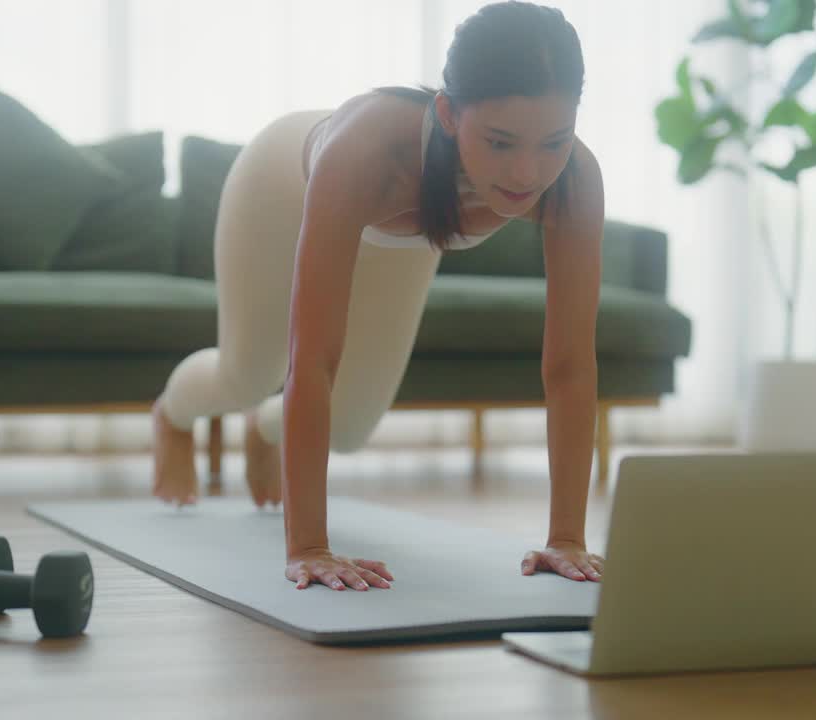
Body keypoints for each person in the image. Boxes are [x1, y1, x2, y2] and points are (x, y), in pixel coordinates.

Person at [151, 1, 605, 592]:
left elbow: (570, 366)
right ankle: (172, 415)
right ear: (448, 113)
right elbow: (311, 358)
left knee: (352, 425)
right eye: (499, 142)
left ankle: (267, 431)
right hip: (281, 186)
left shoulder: (572, 178)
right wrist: (309, 547)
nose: (527, 171)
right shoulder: (368, 154)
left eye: (554, 141)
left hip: (405, 232)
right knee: (248, 373)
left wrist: (566, 538)